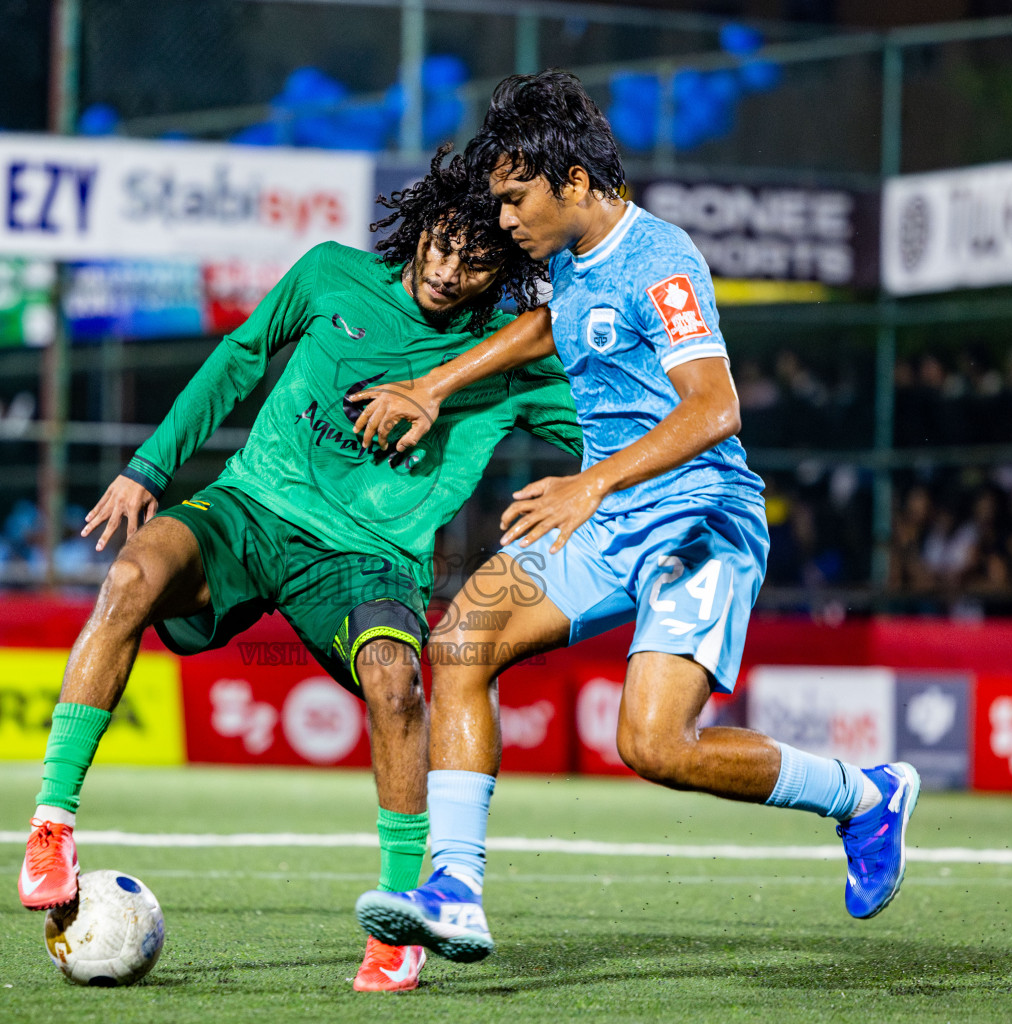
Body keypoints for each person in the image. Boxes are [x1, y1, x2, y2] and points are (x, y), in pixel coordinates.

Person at [350, 71, 920, 963]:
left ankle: (863, 794)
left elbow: (714, 409)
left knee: (654, 746)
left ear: (572, 182)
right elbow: (550, 327)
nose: (503, 221)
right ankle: (454, 887)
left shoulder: (662, 259)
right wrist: (435, 382)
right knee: (461, 643)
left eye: (514, 199)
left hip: (698, 519)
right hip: (613, 518)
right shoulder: (573, 262)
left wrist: (590, 484)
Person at [16, 148, 581, 993]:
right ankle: (52, 825)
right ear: (420, 223)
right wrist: (147, 468)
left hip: (366, 561)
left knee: (398, 684)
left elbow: (603, 426)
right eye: (440, 242)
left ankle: (401, 917)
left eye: (476, 261)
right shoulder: (328, 275)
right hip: (249, 508)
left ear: (501, 269)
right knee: (131, 578)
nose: (447, 269)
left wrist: (595, 481)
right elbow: (237, 361)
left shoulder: (503, 359)